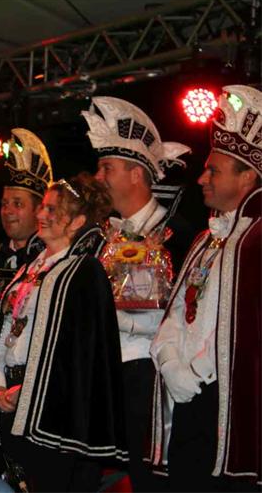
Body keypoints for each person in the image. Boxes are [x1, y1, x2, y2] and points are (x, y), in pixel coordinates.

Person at [148, 84, 262, 491]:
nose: (201, 179)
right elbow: (179, 310)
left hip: (228, 400)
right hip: (188, 397)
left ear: (248, 177)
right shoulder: (206, 239)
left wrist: (196, 372)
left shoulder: (257, 240)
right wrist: (171, 362)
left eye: (214, 171)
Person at [82, 96, 195, 491]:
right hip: (102, 375)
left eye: (107, 168)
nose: (98, 177)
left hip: (149, 376)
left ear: (135, 175)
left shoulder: (177, 235)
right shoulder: (97, 238)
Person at [0, 173, 128, 491]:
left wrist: (28, 389)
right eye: (44, 207)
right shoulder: (30, 267)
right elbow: (7, 328)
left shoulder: (84, 272)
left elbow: (76, 355)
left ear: (77, 221)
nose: (42, 214)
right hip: (9, 396)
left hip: (50, 407)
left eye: (53, 210)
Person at [0, 129, 50, 476]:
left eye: (18, 204)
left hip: (21, 391)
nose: (8, 211)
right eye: (4, 203)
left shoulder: (49, 263)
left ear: (40, 209)